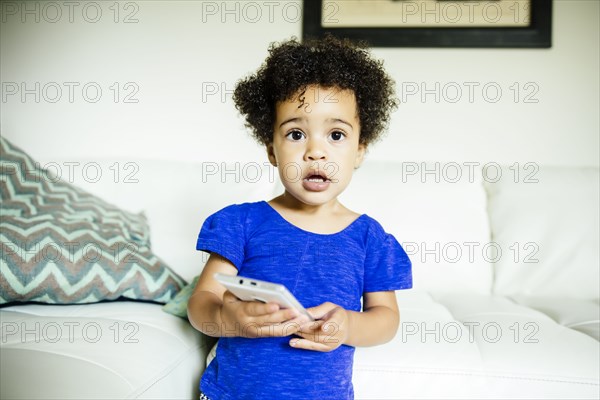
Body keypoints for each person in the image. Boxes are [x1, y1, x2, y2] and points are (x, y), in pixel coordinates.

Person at [187, 35, 412, 400]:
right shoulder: (241, 224)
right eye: (295, 134)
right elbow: (201, 305)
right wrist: (232, 321)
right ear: (272, 151)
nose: (315, 151)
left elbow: (386, 320)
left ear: (359, 151)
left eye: (336, 134)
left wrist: (348, 324)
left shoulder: (370, 237)